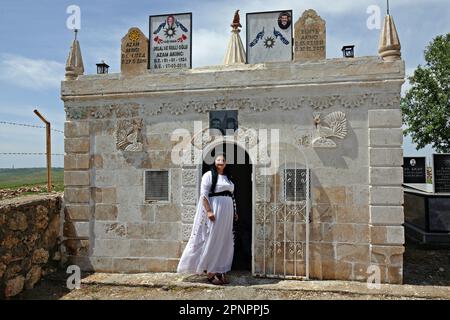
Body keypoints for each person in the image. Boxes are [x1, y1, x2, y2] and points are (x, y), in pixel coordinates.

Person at [177, 153, 238, 285]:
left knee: (225, 239)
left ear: (226, 163)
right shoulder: (209, 175)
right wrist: (209, 211)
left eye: (223, 160)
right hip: (215, 210)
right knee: (213, 238)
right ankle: (210, 271)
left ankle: (220, 269)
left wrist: (235, 211)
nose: (221, 162)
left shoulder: (228, 178)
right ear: (214, 162)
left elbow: (232, 196)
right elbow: (203, 195)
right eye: (218, 159)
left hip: (227, 212)